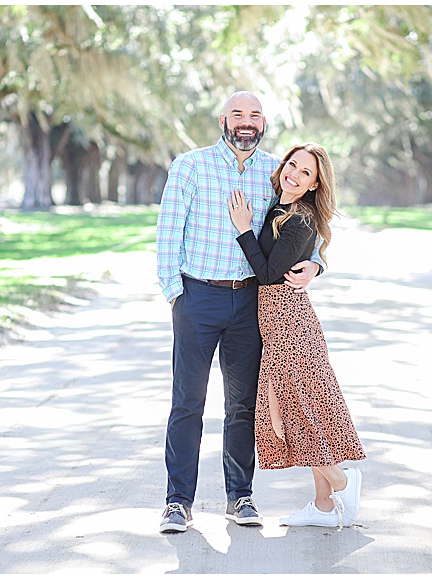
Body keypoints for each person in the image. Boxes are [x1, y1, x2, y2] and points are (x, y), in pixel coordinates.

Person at [155, 91, 323, 533]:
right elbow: (168, 231)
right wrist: (176, 294)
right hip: (198, 298)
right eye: (237, 114)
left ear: (264, 122)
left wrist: (318, 264)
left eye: (254, 116)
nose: (245, 123)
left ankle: (240, 497)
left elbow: (307, 225)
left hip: (251, 302)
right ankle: (177, 502)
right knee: (188, 402)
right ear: (222, 120)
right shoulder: (191, 165)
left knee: (242, 405)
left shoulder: (275, 170)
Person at [226, 142, 366, 529]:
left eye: (305, 173)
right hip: (275, 322)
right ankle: (323, 506)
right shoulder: (279, 208)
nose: (294, 174)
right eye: (293, 165)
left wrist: (242, 230)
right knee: (302, 409)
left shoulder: (300, 219)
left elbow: (270, 274)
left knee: (289, 412)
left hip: (289, 323)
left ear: (314, 184)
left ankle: (340, 479)